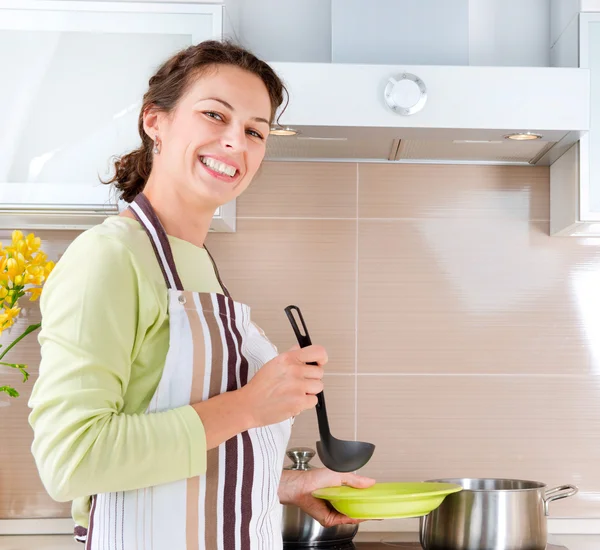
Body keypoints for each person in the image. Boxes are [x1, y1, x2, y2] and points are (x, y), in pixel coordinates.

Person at [28, 40, 375, 549]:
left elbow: (170, 467)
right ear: (156, 122)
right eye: (215, 115)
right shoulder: (109, 257)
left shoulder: (197, 264)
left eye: (256, 131)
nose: (236, 141)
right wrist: (250, 407)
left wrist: (286, 484)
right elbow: (72, 460)